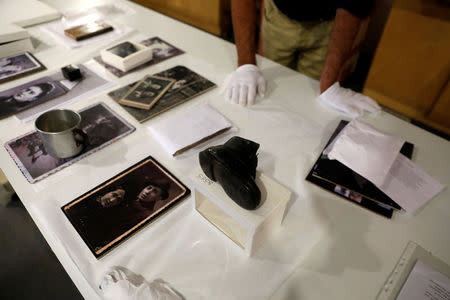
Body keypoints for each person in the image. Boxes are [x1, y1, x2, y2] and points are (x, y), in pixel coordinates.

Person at [226, 0, 373, 105]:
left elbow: (353, 6)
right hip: (280, 15)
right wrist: (246, 64)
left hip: (329, 24)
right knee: (264, 91)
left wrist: (329, 86)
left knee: (311, 99)